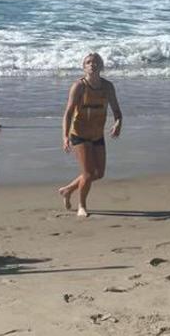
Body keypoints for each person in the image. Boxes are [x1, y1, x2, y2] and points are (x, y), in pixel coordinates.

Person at [58, 53, 122, 217]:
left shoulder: (108, 87)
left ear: (100, 66)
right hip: (79, 134)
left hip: (97, 134)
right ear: (84, 67)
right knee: (87, 173)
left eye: (95, 62)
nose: (92, 65)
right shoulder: (79, 86)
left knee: (98, 174)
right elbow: (68, 113)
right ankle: (82, 206)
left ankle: (68, 189)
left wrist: (118, 123)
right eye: (88, 62)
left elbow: (117, 111)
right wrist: (65, 137)